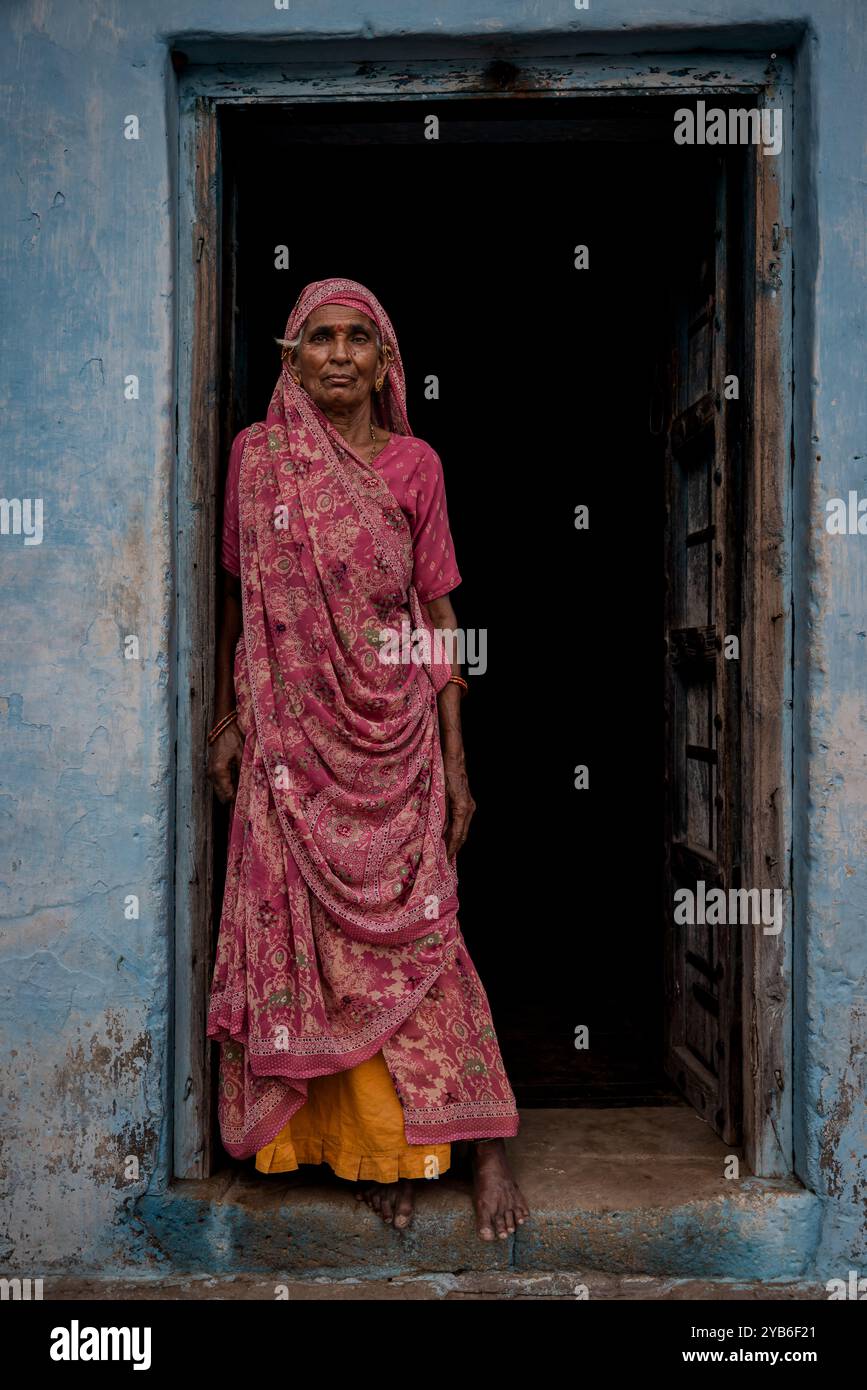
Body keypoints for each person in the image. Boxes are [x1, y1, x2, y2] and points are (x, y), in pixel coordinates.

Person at [206, 277, 529, 1241]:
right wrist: (230, 719)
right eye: (319, 338)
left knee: (424, 944)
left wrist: (458, 765)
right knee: (308, 941)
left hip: (396, 747)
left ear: (386, 365)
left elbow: (437, 619)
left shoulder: (415, 466)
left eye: (360, 340)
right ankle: (372, 1152)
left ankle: (482, 1150)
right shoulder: (257, 460)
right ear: (289, 358)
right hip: (288, 745)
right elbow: (240, 597)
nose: (339, 354)